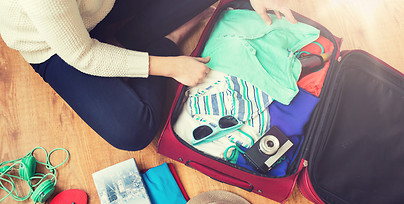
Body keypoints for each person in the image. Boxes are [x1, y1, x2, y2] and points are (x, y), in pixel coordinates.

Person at [0, 0, 296, 151]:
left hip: (98, 9)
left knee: (132, 37)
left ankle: (136, 39)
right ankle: (169, 39)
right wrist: (171, 65)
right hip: (55, 47)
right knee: (132, 130)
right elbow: (83, 55)